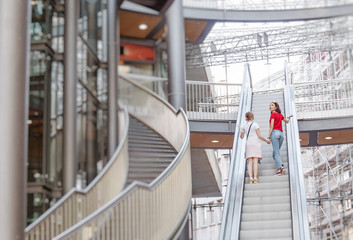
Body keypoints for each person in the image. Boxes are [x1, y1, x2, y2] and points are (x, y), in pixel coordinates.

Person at [240, 111, 271, 184]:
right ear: (252, 117)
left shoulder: (243, 126)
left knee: (249, 162)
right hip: (256, 143)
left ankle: (250, 179)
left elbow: (241, 137)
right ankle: (255, 178)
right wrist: (267, 141)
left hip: (249, 143)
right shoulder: (255, 124)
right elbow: (259, 136)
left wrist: (240, 130)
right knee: (255, 162)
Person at [267, 101, 293, 176]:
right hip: (281, 134)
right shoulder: (280, 115)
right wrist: (289, 117)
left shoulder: (273, 115)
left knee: (276, 153)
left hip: (275, 133)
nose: (270, 106)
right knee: (275, 154)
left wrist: (268, 137)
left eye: (272, 105)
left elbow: (271, 127)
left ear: (275, 107)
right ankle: (280, 169)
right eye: (270, 105)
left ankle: (280, 169)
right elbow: (287, 121)